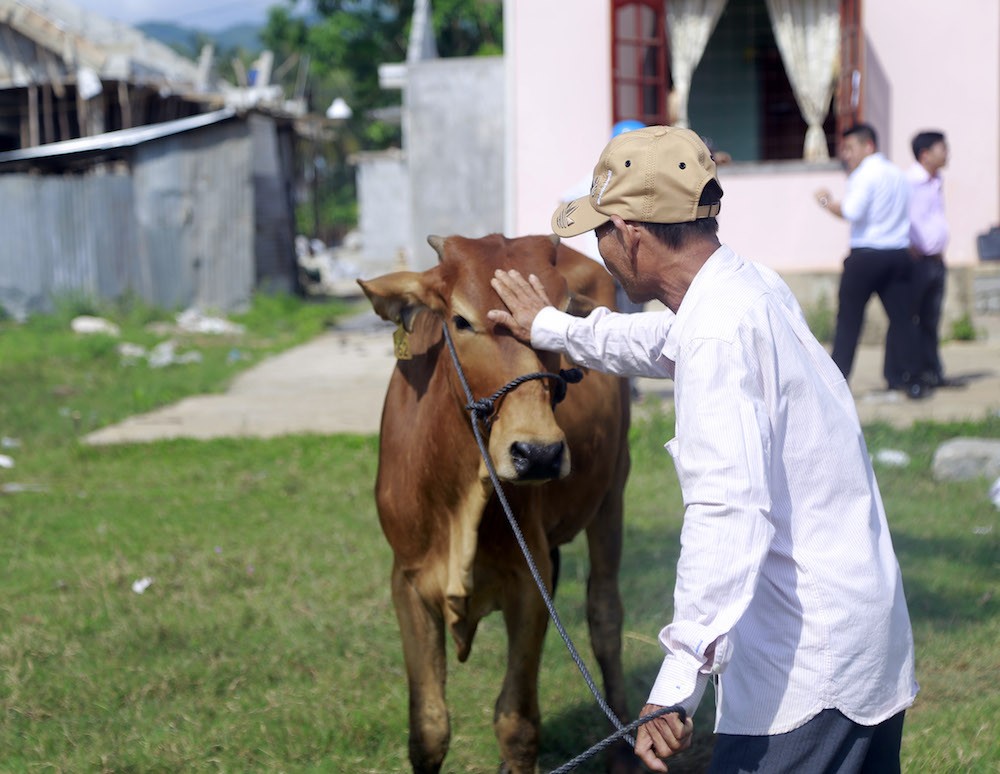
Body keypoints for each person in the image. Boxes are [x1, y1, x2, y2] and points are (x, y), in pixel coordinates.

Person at [487, 125, 918, 772]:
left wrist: (675, 684)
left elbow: (727, 513)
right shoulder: (746, 288)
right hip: (860, 634)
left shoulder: (718, 332)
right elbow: (663, 340)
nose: (600, 253)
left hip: (808, 675)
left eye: (601, 234)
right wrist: (553, 328)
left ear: (631, 232)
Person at [814, 123, 929, 399]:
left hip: (866, 257)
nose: (847, 154)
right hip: (898, 255)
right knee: (903, 320)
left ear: (869, 146)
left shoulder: (864, 174)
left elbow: (852, 211)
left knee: (849, 321)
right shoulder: (897, 174)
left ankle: (837, 382)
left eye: (851, 148)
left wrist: (826, 202)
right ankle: (913, 381)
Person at [908, 130, 958, 388]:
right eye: (942, 148)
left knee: (931, 320)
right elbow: (902, 218)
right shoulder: (910, 182)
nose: (946, 152)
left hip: (937, 261)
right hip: (917, 263)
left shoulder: (936, 179)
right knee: (913, 321)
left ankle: (933, 372)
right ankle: (914, 374)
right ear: (925, 154)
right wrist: (909, 247)